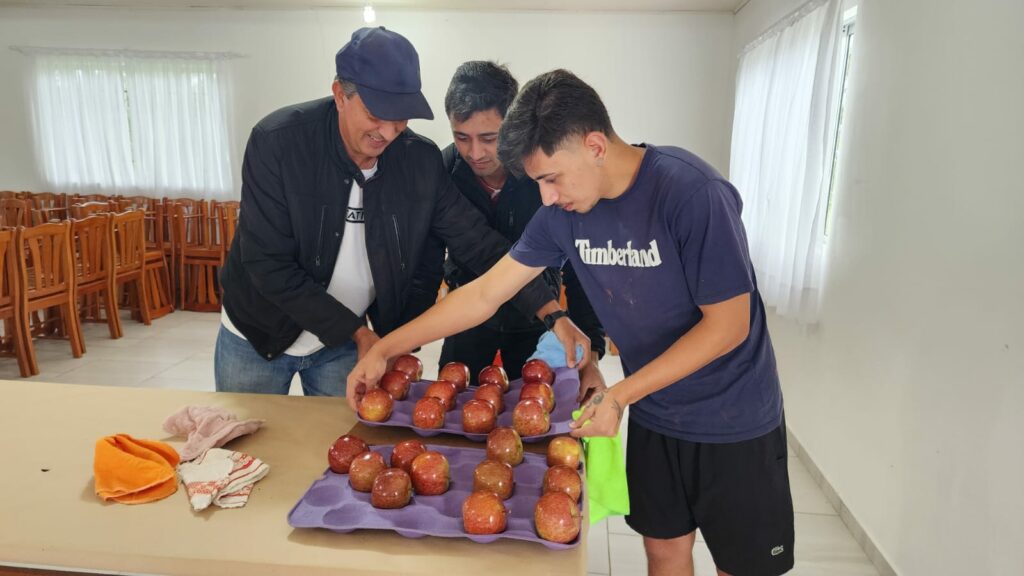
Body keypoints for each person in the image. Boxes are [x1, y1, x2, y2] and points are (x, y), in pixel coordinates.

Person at [348, 69, 794, 576]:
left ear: (596, 146)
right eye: (538, 182)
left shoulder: (692, 194)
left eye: (551, 178)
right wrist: (384, 349)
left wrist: (621, 394)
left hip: (732, 420)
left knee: (744, 566)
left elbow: (728, 326)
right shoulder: (564, 214)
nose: (547, 197)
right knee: (665, 551)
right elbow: (483, 295)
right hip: (656, 414)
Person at [215, 28, 589, 397]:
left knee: (339, 446)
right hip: (260, 333)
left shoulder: (417, 161)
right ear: (340, 95)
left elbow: (481, 247)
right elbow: (267, 264)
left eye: (401, 117)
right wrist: (364, 336)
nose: (388, 131)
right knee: (247, 448)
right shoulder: (279, 142)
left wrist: (551, 313)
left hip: (345, 345)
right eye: (376, 114)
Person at [436, 61, 606, 400]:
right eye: (461, 138)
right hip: (466, 323)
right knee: (453, 421)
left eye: (488, 138)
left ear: (511, 125)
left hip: (538, 324)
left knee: (533, 423)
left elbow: (580, 265)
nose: (475, 153)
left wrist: (593, 357)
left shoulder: (543, 175)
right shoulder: (443, 172)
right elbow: (428, 261)